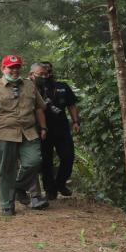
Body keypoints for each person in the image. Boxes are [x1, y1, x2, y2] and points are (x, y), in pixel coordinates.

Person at [0, 55, 48, 216]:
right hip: (4, 132)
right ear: (3, 68)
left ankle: (17, 186)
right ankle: (6, 205)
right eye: (11, 67)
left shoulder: (30, 85)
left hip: (29, 131)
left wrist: (44, 127)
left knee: (34, 161)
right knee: (6, 169)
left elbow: (39, 108)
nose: (15, 70)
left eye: (17, 67)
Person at [32, 62, 80, 200]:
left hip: (62, 128)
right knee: (46, 161)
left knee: (68, 156)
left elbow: (71, 105)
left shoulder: (62, 86)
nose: (45, 72)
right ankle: (50, 190)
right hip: (42, 130)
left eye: (47, 69)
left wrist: (76, 121)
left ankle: (60, 183)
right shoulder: (34, 87)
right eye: (42, 70)